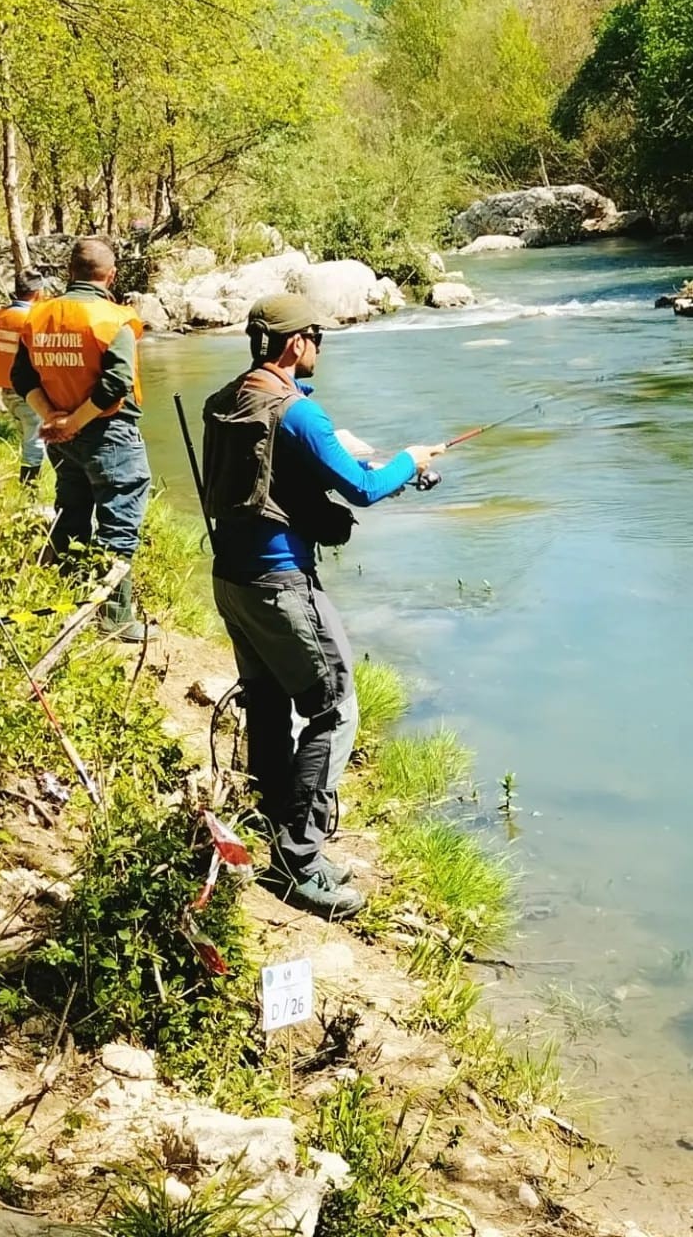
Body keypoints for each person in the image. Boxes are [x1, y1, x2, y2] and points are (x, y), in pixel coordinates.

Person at [201, 294, 440, 918]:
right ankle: (298, 863)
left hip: (230, 578)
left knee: (269, 702)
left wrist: (345, 444)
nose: (319, 348)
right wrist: (411, 460)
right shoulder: (300, 414)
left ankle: (272, 821)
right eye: (317, 337)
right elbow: (363, 489)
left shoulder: (228, 399)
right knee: (335, 708)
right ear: (295, 343)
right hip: (281, 584)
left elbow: (278, 466)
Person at [11, 237, 153, 640]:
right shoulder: (113, 319)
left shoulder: (37, 317)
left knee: (71, 509)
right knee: (119, 521)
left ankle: (69, 595)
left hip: (63, 438)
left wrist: (52, 418)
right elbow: (116, 384)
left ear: (70, 273)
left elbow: (22, 377)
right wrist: (75, 419)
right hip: (109, 434)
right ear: (110, 276)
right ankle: (115, 616)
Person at [0, 270, 50, 484]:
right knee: (36, 440)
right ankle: (30, 489)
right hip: (26, 392)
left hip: (5, 390)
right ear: (37, 292)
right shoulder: (30, 320)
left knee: (27, 437)